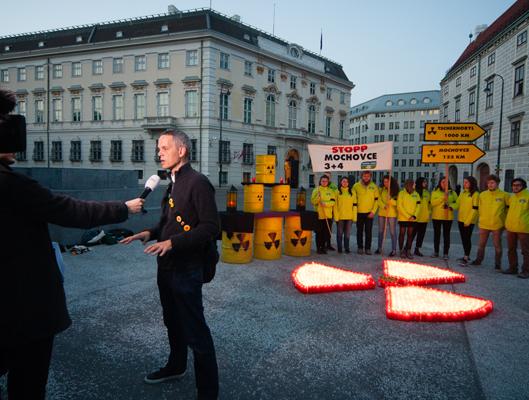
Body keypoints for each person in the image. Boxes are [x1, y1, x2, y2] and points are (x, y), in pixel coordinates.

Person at [0, 89, 144, 400]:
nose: (13, 133)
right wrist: (123, 208)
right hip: (24, 312)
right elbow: (71, 211)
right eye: (3, 123)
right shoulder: (12, 184)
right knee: (27, 387)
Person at [121, 129, 220, 400]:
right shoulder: (172, 182)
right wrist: (149, 233)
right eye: (159, 148)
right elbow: (168, 222)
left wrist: (172, 243)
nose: (159, 152)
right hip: (166, 266)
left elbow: (211, 227)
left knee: (195, 330)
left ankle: (208, 392)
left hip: (187, 268)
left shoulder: (198, 182)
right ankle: (176, 366)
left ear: (182, 150)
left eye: (165, 148)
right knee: (172, 322)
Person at [470, 174, 508, 270]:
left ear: (497, 183)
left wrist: (505, 222)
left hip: (497, 225)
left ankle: (497, 264)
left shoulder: (504, 195)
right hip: (484, 224)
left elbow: (508, 210)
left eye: (492, 183)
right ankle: (478, 260)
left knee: (497, 246)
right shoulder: (482, 195)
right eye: (488, 183)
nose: (490, 185)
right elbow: (478, 209)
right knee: (481, 244)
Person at [502, 178, 529, 278]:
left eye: (518, 185)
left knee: (526, 251)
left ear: (523, 186)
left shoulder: (527, 196)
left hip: (524, 228)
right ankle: (513, 268)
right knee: (511, 249)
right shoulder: (512, 197)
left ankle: (526, 271)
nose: (515, 187)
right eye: (514, 185)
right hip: (511, 228)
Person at [430, 177, 458, 260]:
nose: (445, 184)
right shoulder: (435, 192)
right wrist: (443, 198)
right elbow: (433, 203)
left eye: (446, 182)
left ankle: (446, 253)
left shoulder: (452, 193)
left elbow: (457, 203)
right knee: (437, 235)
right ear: (440, 183)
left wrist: (452, 207)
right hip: (437, 216)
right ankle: (436, 252)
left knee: (446, 235)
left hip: (447, 217)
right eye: (443, 182)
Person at [352, 171, 379, 255]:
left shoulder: (374, 186)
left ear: (370, 177)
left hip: (369, 213)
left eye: (368, 176)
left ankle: (368, 248)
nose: (366, 177)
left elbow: (376, 200)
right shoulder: (356, 186)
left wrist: (373, 212)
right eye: (364, 176)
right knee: (359, 231)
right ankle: (360, 247)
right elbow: (353, 199)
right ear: (362, 176)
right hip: (359, 213)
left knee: (368, 231)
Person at [455, 176, 479, 266]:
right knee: (463, 239)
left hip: (468, 221)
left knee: (467, 239)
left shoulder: (475, 194)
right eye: (464, 182)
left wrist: (468, 221)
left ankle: (466, 257)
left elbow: (475, 209)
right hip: (460, 219)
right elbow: (457, 204)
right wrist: (449, 206)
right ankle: (466, 255)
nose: (464, 184)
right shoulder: (463, 193)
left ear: (471, 183)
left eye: (466, 182)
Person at [311, 174, 336, 254]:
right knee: (319, 233)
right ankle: (319, 248)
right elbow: (313, 202)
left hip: (327, 215)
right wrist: (318, 198)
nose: (324, 182)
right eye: (323, 181)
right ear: (320, 181)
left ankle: (324, 247)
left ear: (328, 182)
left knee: (326, 233)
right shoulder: (316, 190)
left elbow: (333, 202)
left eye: (326, 181)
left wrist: (325, 204)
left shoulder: (330, 191)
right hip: (319, 215)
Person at [375, 175, 399, 256]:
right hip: (382, 213)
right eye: (384, 181)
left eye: (387, 181)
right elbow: (378, 200)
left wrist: (391, 200)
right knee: (380, 231)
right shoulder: (381, 189)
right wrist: (383, 206)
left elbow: (397, 203)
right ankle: (379, 248)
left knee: (392, 232)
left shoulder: (395, 191)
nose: (386, 183)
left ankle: (394, 249)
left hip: (391, 214)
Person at [397, 179, 421, 259]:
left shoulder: (416, 194)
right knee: (402, 234)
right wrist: (407, 216)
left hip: (412, 218)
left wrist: (414, 216)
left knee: (410, 235)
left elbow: (418, 206)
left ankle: (408, 250)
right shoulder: (401, 193)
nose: (415, 185)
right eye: (414, 184)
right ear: (409, 184)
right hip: (403, 218)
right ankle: (401, 251)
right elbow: (399, 206)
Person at [334, 176, 356, 253]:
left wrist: (354, 217)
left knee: (347, 234)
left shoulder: (352, 192)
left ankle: (347, 248)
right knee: (339, 233)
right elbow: (335, 206)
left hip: (349, 217)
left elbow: (355, 205)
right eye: (343, 181)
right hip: (340, 217)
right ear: (341, 182)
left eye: (346, 182)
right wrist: (336, 217)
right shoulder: (337, 192)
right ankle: (339, 248)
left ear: (348, 183)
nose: (345, 183)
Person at [412, 177, 431, 257]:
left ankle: (417, 249)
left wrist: (428, 213)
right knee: (412, 234)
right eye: (424, 182)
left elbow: (429, 205)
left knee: (421, 235)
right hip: (416, 218)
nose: (425, 183)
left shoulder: (427, 193)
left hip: (424, 218)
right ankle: (407, 248)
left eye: (426, 182)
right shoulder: (415, 192)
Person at [323, 171, 338, 251]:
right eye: (325, 176)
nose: (327, 178)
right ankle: (323, 244)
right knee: (322, 228)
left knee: (329, 227)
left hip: (330, 210)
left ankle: (328, 244)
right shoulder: (321, 185)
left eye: (328, 176)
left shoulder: (333, 186)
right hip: (322, 210)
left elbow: (336, 195)